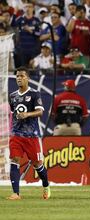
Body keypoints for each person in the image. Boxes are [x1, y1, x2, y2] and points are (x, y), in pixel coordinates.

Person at [7, 67, 50, 200]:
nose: (19, 78)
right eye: (17, 76)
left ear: (28, 78)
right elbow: (14, 112)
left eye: (22, 76)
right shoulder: (12, 95)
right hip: (16, 135)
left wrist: (27, 114)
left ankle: (46, 185)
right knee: (14, 161)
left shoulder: (34, 94)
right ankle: (16, 193)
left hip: (31, 136)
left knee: (38, 164)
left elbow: (40, 112)